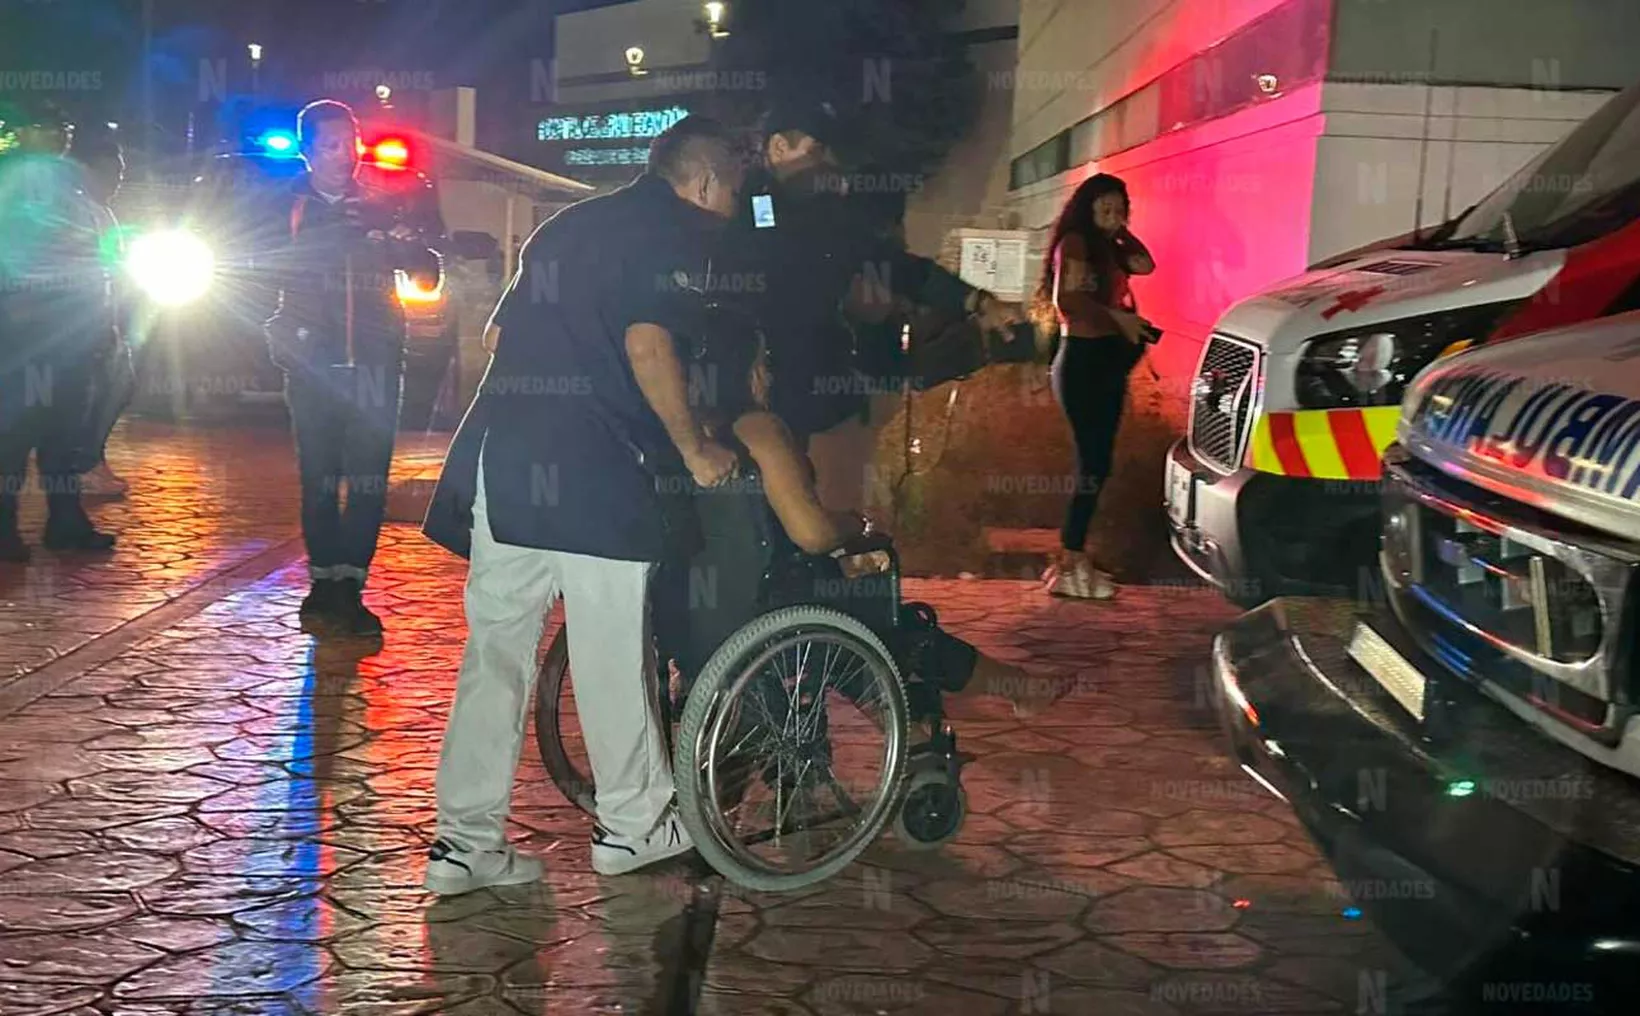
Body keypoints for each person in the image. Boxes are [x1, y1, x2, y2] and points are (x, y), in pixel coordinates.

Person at [420, 115, 745, 894]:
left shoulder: (569, 225)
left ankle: (464, 845)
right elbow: (647, 344)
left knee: (495, 649)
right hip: (597, 466)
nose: (739, 200)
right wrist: (698, 450)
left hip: (508, 456)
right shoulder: (672, 235)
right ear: (702, 182)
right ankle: (635, 826)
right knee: (609, 650)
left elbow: (499, 339)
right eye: (737, 185)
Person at [668, 320, 1060, 716]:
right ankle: (983, 704)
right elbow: (813, 534)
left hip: (694, 619)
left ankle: (998, 696)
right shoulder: (759, 430)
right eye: (762, 362)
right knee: (894, 627)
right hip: (766, 612)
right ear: (743, 369)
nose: (768, 373)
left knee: (858, 623)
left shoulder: (685, 437)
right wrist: (856, 524)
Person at [719, 99, 1028, 515]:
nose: (828, 165)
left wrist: (977, 301)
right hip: (754, 401)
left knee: (821, 511)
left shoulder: (828, 218)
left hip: (819, 395)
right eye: (817, 151)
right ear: (778, 147)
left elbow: (898, 267)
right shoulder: (733, 208)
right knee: (768, 517)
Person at [264, 99, 442, 636]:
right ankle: (322, 586)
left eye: (350, 142)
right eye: (329, 145)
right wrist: (281, 337)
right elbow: (249, 271)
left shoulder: (386, 202)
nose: (344, 155)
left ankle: (351, 587)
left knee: (368, 481)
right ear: (306, 151)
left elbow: (428, 277)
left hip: (376, 363)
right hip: (312, 364)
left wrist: (408, 250)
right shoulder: (283, 206)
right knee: (319, 476)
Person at [0, 103, 117, 562]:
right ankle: (5, 528)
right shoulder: (14, 180)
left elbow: (92, 244)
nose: (58, 136)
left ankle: (66, 520)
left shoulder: (70, 178)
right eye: (46, 128)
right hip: (30, 321)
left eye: (62, 127)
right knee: (17, 428)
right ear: (23, 133)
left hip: (74, 318)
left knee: (64, 427)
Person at [1032, 173, 1156, 600]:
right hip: (1084, 363)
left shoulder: (1107, 246)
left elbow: (1146, 264)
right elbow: (1068, 302)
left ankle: (1073, 557)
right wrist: (1119, 318)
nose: (1112, 216)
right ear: (1085, 209)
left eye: (1119, 209)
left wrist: (1120, 232)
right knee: (1092, 464)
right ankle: (1069, 559)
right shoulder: (1076, 244)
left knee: (1099, 464)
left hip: (1106, 362)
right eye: (1103, 208)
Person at [69, 122, 134, 499]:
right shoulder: (79, 212)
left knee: (117, 381)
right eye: (111, 172)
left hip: (100, 316)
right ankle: (83, 464)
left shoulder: (102, 213)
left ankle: (88, 460)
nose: (118, 180)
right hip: (80, 320)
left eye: (122, 173)